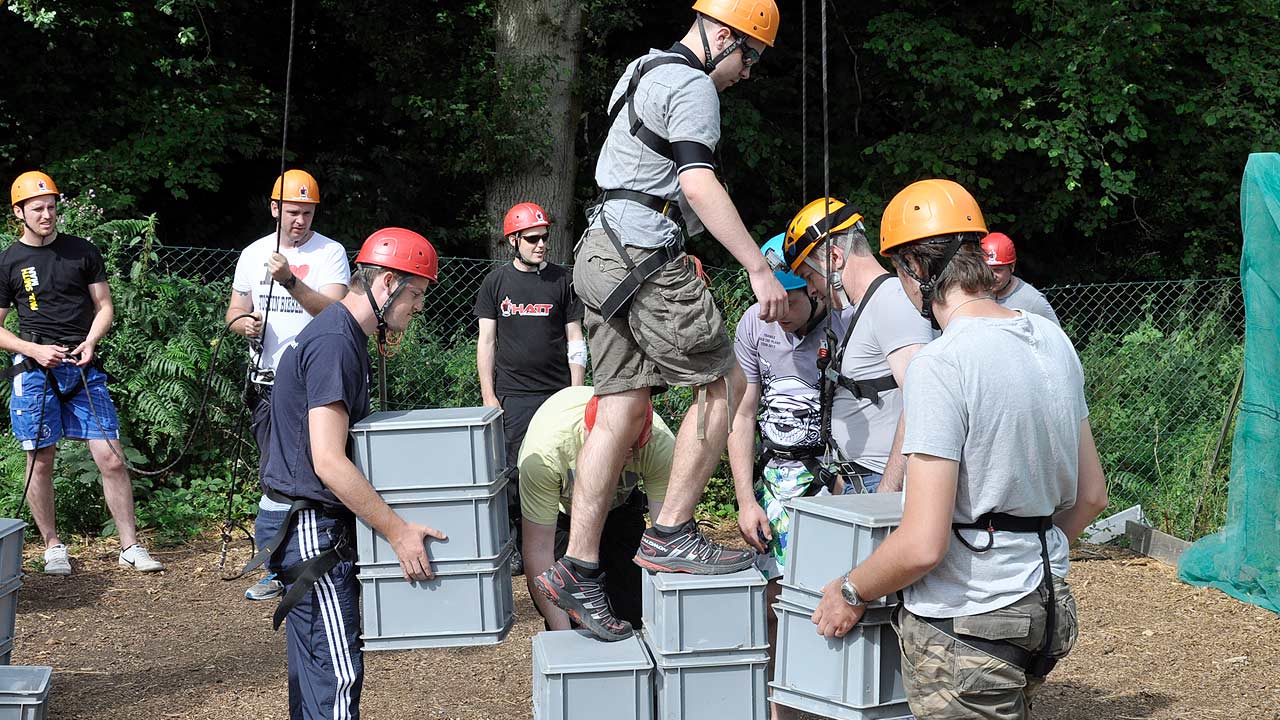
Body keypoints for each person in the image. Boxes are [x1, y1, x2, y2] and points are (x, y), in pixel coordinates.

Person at [535, 0, 788, 642]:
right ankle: (672, 530)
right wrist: (757, 267)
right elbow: (697, 181)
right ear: (724, 36)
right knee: (727, 383)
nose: (748, 72)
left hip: (598, 251)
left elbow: (641, 172)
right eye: (750, 56)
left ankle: (579, 566)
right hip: (643, 255)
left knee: (618, 408)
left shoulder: (640, 69)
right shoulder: (695, 83)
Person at [808, 179, 1109, 720]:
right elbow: (1091, 496)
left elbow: (923, 544)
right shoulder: (1052, 340)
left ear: (915, 270)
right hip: (1043, 609)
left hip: (968, 624)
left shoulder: (941, 365)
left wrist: (850, 591)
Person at [247, 227, 445, 720]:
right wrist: (398, 532)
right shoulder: (337, 342)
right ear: (386, 284)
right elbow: (329, 461)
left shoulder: (341, 332)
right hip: (310, 526)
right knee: (336, 673)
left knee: (315, 667)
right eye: (416, 294)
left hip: (298, 519)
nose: (418, 308)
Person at [0, 171, 163, 576]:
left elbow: (104, 305)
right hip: (35, 368)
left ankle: (130, 545)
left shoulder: (82, 251)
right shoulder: (8, 261)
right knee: (40, 460)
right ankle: (53, 546)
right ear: (19, 212)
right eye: (37, 208)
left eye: (52, 207)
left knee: (111, 457)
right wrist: (32, 348)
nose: (47, 214)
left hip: (83, 365)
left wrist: (91, 342)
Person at [729, 234, 845, 720]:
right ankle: (781, 711)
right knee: (775, 602)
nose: (775, 311)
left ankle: (832, 702)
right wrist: (744, 501)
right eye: (768, 299)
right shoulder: (755, 323)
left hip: (833, 480)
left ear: (816, 290)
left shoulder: (845, 324)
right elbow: (740, 412)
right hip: (775, 479)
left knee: (831, 598)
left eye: (788, 301)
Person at [225, 169, 350, 601]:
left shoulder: (330, 253)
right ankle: (276, 563)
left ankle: (317, 557)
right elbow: (235, 309)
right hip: (265, 381)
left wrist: (291, 282)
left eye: (308, 213)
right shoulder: (252, 253)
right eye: (293, 212)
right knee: (273, 476)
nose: (301, 221)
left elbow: (335, 312)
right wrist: (243, 324)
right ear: (274, 208)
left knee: (317, 470)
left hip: (310, 383)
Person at [783, 197, 933, 494]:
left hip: (879, 483)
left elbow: (924, 397)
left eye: (809, 277)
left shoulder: (891, 300)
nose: (811, 291)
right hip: (858, 481)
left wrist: (886, 492)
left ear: (834, 258)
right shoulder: (865, 307)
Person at [475, 201, 586, 573]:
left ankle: (565, 548)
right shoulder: (496, 282)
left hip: (557, 396)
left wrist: (576, 394)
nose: (541, 245)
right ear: (513, 241)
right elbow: (486, 342)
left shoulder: (562, 280)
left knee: (566, 473)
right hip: (514, 398)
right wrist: (489, 396)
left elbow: (575, 339)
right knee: (514, 473)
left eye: (545, 238)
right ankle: (520, 549)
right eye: (533, 239)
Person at [519, 385, 674, 631]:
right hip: (564, 516)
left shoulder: (660, 444)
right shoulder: (545, 454)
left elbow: (668, 540)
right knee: (572, 615)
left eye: (633, 450)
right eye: (617, 452)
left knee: (632, 609)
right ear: (589, 435)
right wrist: (564, 636)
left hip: (620, 509)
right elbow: (538, 550)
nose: (626, 459)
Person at [982, 231, 1060, 324]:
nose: (991, 276)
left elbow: (1055, 337)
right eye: (986, 269)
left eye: (998, 270)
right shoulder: (976, 294)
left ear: (1012, 267)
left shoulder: (1033, 302)